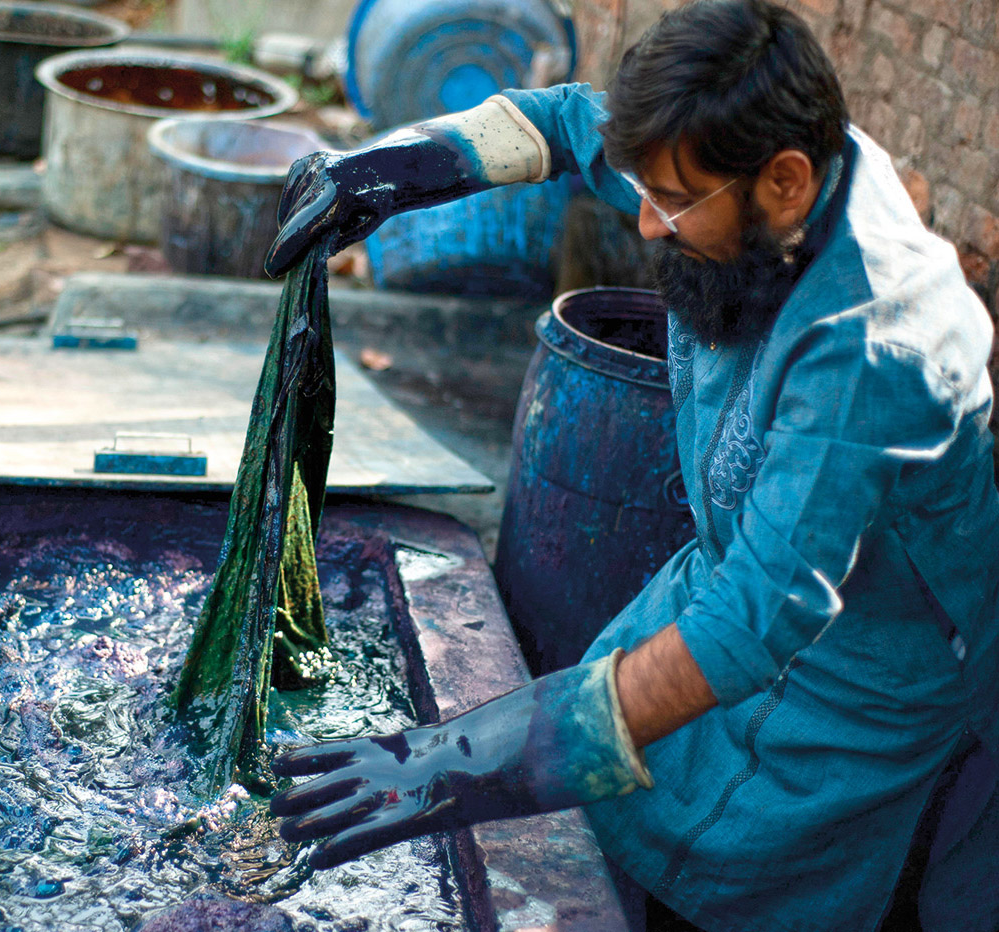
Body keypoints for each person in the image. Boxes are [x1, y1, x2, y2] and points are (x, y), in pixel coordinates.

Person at [263, 2, 999, 930]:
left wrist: (449, 762)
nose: (646, 226)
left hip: (855, 679)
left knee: (749, 882)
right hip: (730, 582)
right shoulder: (747, 165)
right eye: (643, 189)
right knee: (618, 827)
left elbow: (751, 627)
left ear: (784, 183)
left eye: (672, 203)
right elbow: (574, 121)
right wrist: (394, 167)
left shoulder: (869, 353)